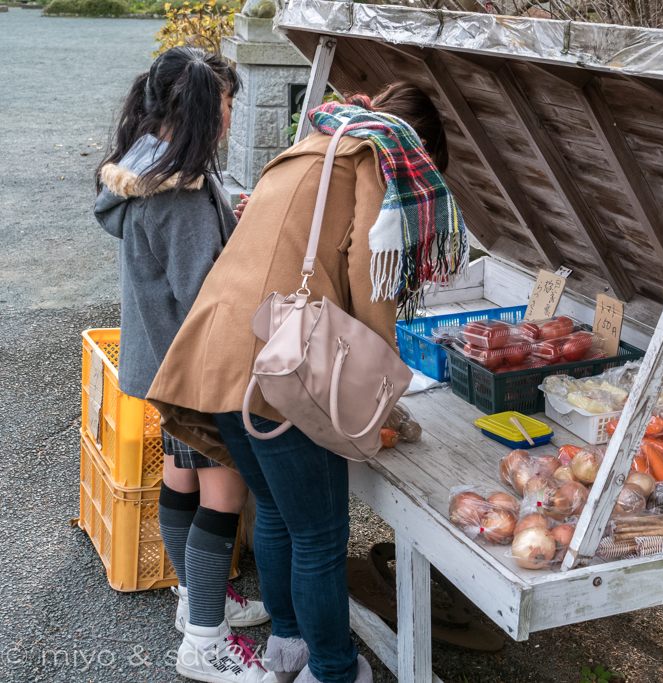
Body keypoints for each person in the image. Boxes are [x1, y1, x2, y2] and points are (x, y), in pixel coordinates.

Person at [147, 82, 460, 683]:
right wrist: (383, 390)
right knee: (319, 533)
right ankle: (334, 671)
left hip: (219, 350)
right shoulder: (374, 160)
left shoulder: (312, 144)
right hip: (278, 363)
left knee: (277, 510)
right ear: (420, 149)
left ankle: (288, 646)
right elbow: (371, 284)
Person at [94, 46, 272, 683]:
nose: (228, 119)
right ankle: (204, 641)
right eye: (224, 106)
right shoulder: (182, 191)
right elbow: (207, 294)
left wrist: (228, 219)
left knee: (181, 478)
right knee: (225, 494)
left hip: (159, 356)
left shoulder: (146, 163)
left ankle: (196, 600)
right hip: (197, 367)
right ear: (201, 109)